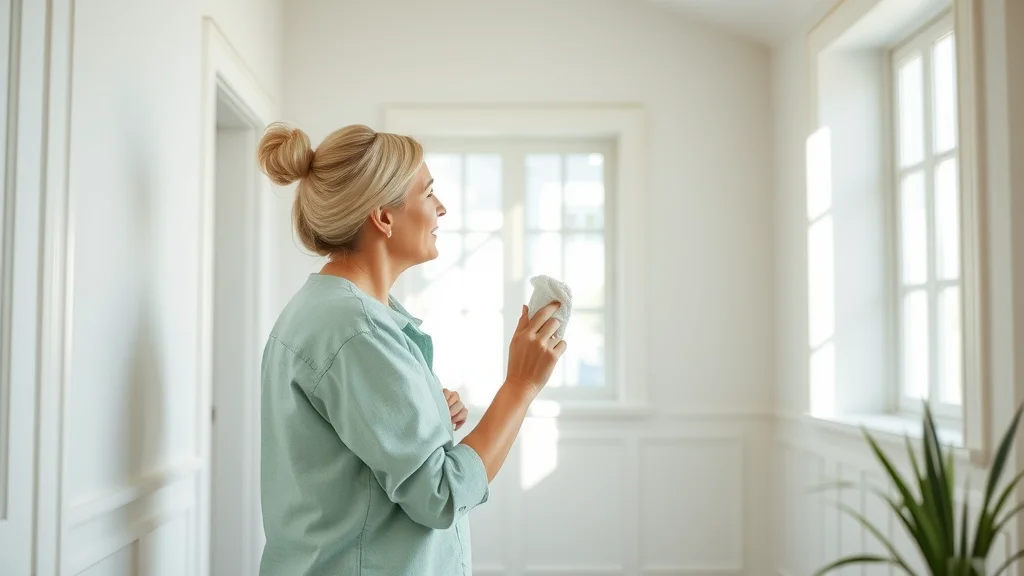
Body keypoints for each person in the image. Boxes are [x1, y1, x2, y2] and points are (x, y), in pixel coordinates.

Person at [256, 122, 566, 576]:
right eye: (428, 193)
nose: (441, 209)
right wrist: (520, 386)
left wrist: (425, 411)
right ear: (383, 216)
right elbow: (440, 495)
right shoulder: (354, 330)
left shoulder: (330, 311)